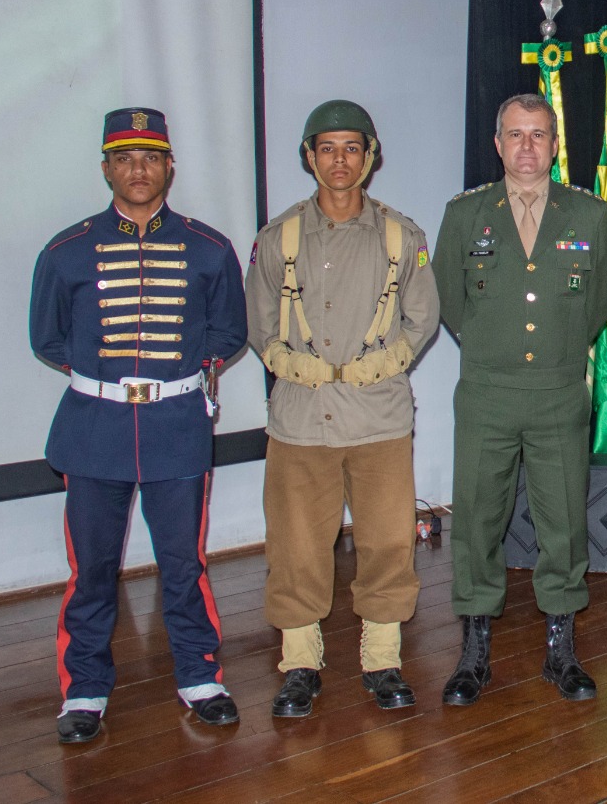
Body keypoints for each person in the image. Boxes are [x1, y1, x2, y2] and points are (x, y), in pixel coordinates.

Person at [30, 107, 248, 744]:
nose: (138, 170)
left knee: (184, 565)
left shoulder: (209, 248)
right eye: (124, 159)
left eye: (150, 157)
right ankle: (84, 688)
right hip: (93, 430)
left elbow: (229, 331)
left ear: (169, 167)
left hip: (175, 427)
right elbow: (47, 338)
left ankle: (201, 677)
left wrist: (172, 376)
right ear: (106, 169)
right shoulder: (66, 251)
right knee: (91, 571)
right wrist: (107, 381)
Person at [245, 100, 439, 716]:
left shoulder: (401, 237)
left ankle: (382, 659)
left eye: (352, 148)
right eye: (326, 148)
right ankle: (300, 663)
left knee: (387, 543)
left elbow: (423, 317)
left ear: (370, 156)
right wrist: (291, 363)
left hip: (378, 418)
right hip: (301, 421)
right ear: (309, 156)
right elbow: (259, 324)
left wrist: (381, 365)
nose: (339, 160)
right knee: (296, 546)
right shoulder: (278, 239)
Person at [433, 94, 607, 705]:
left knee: (563, 522)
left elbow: (603, 294)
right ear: (497, 144)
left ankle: (561, 649)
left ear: (555, 144)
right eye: (515, 134)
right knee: (476, 520)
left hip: (559, 394)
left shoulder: (589, 214)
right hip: (486, 392)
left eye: (539, 134)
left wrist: (562, 350)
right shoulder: (466, 214)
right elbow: (449, 298)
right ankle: (474, 650)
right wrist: (492, 345)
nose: (527, 146)